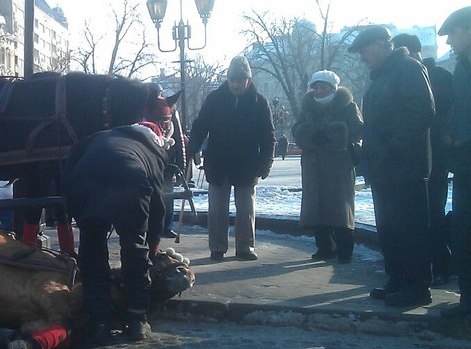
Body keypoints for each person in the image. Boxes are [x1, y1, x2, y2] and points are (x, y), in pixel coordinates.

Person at [348, 25, 435, 307]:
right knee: (389, 230)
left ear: (383, 44)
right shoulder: (381, 77)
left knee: (410, 230)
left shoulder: (408, 69)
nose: (362, 56)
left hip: (405, 168)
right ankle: (397, 279)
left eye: (365, 49)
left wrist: (392, 149)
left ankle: (417, 286)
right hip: (384, 169)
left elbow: (422, 111)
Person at [62, 122, 168, 343]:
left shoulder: (98, 135)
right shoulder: (149, 151)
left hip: (85, 180)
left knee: (91, 251)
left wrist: (71, 210)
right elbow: (159, 202)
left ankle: (99, 322)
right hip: (130, 179)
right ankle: (138, 320)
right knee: (134, 248)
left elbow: (69, 165)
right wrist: (154, 241)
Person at [186, 56, 275, 262]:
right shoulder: (214, 98)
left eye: (240, 80)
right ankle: (217, 247)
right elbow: (200, 127)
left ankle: (245, 247)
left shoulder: (259, 101)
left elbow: (268, 135)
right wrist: (190, 151)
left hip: (247, 164)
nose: (235, 84)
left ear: (248, 81)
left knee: (245, 209)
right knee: (217, 209)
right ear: (228, 79)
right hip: (218, 162)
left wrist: (266, 162)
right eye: (232, 80)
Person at [392, 33, 454, 286]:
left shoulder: (440, 77)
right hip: (410, 158)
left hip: (436, 156)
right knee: (414, 216)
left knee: (433, 214)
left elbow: (447, 114)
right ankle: (421, 267)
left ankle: (441, 265)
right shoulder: (398, 77)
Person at [437, 6, 471, 324]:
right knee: (464, 233)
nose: (450, 41)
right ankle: (470, 300)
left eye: (454, 33)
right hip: (465, 166)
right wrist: (450, 131)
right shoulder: (463, 68)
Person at [291, 70, 364, 263]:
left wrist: (335, 134)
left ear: (333, 88)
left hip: (339, 164)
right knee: (316, 206)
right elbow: (296, 131)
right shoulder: (307, 108)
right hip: (313, 164)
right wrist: (308, 134)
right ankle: (324, 247)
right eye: (315, 87)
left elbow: (358, 130)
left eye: (323, 87)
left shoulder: (348, 106)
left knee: (340, 206)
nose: (318, 90)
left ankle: (345, 249)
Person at [144, 100, 186, 239]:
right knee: (149, 197)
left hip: (168, 162)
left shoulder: (171, 112)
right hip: (148, 162)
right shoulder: (144, 112)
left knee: (167, 197)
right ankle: (148, 226)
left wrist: (182, 165)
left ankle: (166, 226)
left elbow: (179, 140)